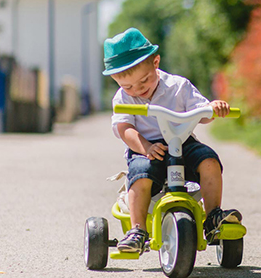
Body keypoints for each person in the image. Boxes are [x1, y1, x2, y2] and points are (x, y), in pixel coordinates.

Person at [103, 27, 242, 254]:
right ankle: (137, 230)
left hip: (182, 141)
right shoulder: (123, 97)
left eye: (144, 81)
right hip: (146, 147)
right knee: (140, 173)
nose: (138, 90)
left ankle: (213, 216)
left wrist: (212, 108)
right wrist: (145, 147)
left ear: (155, 63)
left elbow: (202, 113)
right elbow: (124, 128)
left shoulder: (179, 87)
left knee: (209, 159)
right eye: (127, 86)